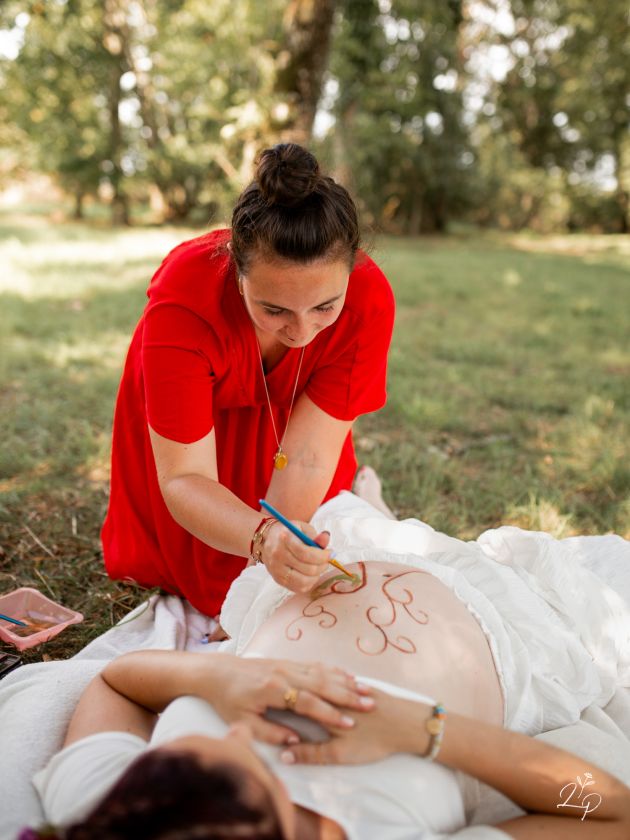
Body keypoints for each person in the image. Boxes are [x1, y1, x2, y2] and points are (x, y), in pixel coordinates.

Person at [30, 559, 630, 839]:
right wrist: (422, 728)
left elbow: (116, 681)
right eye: (253, 768)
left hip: (323, 575)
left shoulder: (113, 814)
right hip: (506, 627)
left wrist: (218, 678)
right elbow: (608, 811)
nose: (240, 731)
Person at [101, 143, 396, 620]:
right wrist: (262, 541)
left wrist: (266, 577)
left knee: (300, 569)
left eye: (325, 307)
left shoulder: (369, 301)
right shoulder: (185, 300)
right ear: (237, 274)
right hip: (193, 446)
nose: (301, 332)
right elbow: (186, 477)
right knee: (213, 585)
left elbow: (308, 457)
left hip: (293, 440)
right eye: (274, 309)